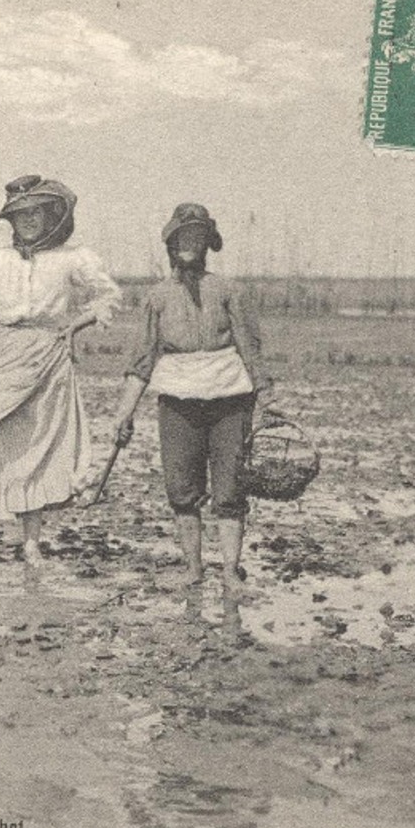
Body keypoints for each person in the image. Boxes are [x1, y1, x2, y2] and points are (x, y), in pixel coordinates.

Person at [0, 175, 122, 572]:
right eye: (19, 215)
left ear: (50, 216)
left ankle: (31, 546)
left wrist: (77, 323)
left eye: (35, 213)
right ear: (10, 220)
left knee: (36, 451)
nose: (27, 221)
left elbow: (110, 294)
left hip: (47, 359)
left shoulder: (72, 258)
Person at [109, 203, 271, 593]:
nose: (189, 245)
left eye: (197, 238)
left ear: (207, 245)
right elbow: (142, 360)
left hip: (230, 400)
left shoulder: (229, 290)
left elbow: (251, 350)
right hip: (178, 404)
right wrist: (123, 414)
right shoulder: (157, 298)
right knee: (182, 489)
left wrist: (264, 401)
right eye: (182, 238)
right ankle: (194, 569)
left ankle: (230, 570)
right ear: (171, 244)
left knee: (230, 488)